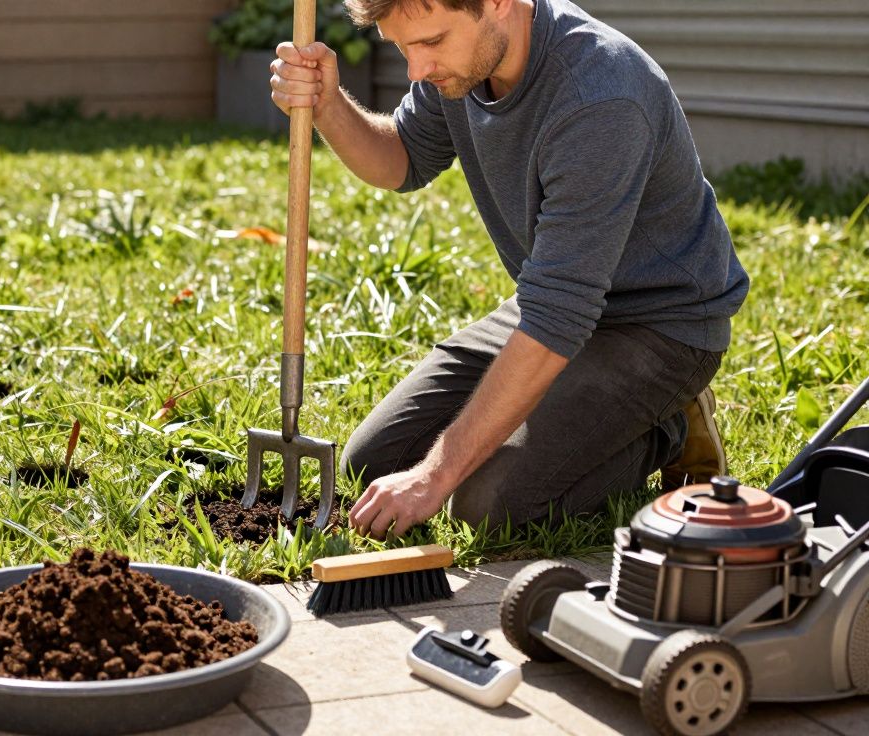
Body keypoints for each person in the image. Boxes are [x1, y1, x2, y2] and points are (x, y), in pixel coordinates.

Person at [268, 0, 749, 539]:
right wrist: (329, 104)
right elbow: (402, 159)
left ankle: (671, 427)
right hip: (550, 304)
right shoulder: (462, 58)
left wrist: (435, 476)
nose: (416, 70)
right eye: (402, 48)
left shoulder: (601, 94)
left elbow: (559, 316)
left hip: (657, 327)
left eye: (429, 43)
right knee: (371, 464)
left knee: (485, 504)